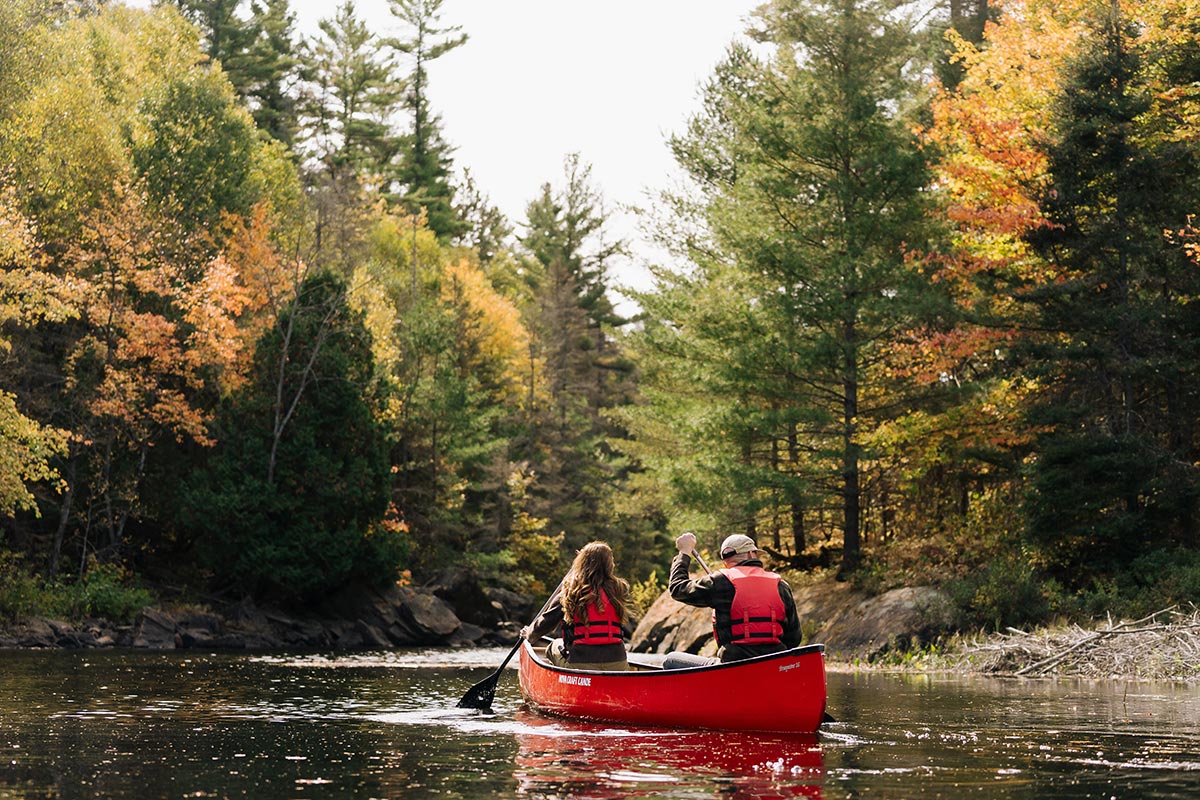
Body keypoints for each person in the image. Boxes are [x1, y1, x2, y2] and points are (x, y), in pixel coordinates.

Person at [664, 532, 801, 668]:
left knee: (671, 659)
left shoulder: (721, 582)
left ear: (725, 561)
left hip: (732, 667)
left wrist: (684, 552)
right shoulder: (781, 585)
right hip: (773, 666)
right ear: (751, 554)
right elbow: (794, 639)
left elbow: (678, 588)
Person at [522, 542, 631, 671]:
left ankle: (559, 679)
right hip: (618, 663)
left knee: (553, 645)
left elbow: (546, 623)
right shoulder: (619, 590)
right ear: (609, 565)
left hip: (581, 662)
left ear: (582, 562)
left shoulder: (571, 592)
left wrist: (528, 633)